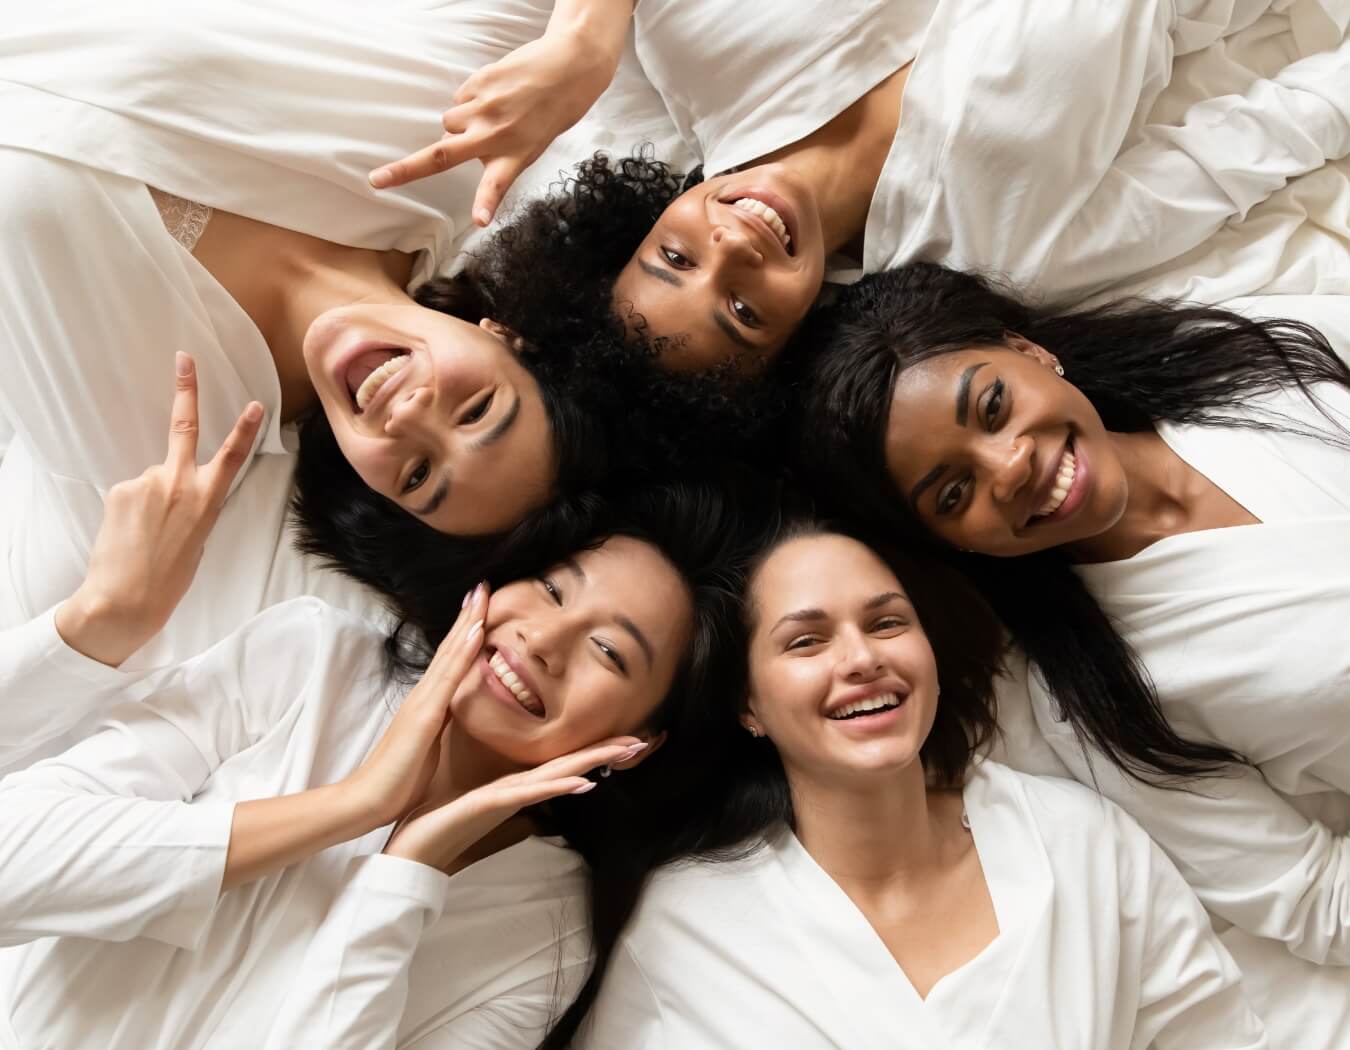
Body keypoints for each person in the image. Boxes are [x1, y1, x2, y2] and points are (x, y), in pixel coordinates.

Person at [0, 370, 761, 1048]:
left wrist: (406, 874)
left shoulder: (544, 932)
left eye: (610, 653)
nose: (544, 639)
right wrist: (354, 804)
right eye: (555, 588)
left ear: (640, 740)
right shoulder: (314, 659)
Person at [0, 0, 649, 677]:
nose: (408, 417)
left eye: (418, 475)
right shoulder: (455, 137)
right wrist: (587, 42)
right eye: (479, 408)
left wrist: (103, 619)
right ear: (507, 338)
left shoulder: (150, 435)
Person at [796, 263, 1350, 976]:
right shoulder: (1107, 702)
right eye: (956, 491)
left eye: (993, 407)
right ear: (950, 543)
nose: (1011, 467)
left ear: (1029, 351)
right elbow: (1314, 899)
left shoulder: (1249, 361)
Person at [565, 522, 1268, 1048]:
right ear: (748, 705)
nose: (863, 658)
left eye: (887, 622)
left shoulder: (1082, 844)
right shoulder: (685, 929)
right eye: (806, 641)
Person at [394, 0, 1350, 377]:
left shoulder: (698, 48)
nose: (731, 248)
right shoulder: (996, 250)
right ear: (797, 334)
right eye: (739, 310)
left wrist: (582, 40)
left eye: (673, 256)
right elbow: (1252, 143)